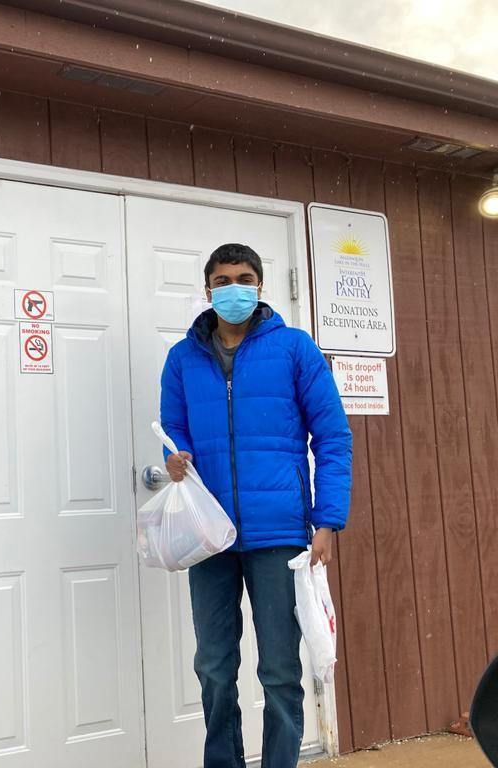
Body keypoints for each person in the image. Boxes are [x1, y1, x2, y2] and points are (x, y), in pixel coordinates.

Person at [160, 243, 352, 768]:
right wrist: (174, 457)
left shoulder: (294, 349)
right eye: (222, 281)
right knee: (214, 667)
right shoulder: (182, 358)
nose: (233, 289)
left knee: (280, 671)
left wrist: (328, 521)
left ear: (260, 286)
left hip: (280, 534)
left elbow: (333, 438)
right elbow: (174, 429)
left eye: (244, 279)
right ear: (207, 290)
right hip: (209, 534)